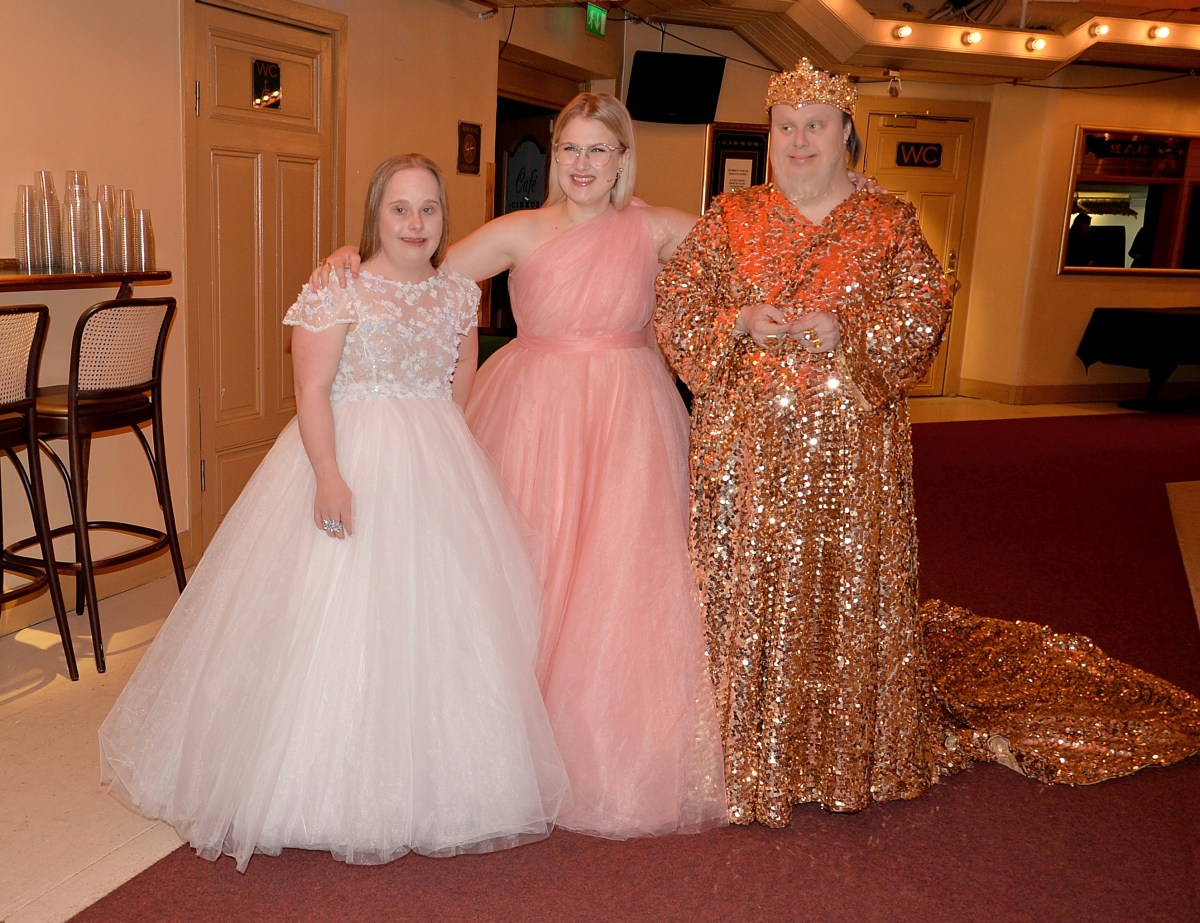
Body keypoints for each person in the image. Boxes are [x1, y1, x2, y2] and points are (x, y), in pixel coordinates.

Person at [654, 59, 1200, 827]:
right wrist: (737, 320)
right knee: (749, 586)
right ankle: (744, 740)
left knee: (839, 584)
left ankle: (835, 747)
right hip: (745, 453)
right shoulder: (730, 217)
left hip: (850, 451)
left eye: (816, 126)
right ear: (769, 135)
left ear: (846, 133)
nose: (800, 141)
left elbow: (923, 308)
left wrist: (848, 332)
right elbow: (676, 302)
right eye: (786, 127)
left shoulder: (888, 220)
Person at [98, 154, 569, 872]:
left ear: (444, 217)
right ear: (376, 213)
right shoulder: (338, 287)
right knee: (333, 617)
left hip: (436, 464)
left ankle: (438, 778)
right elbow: (311, 390)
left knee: (437, 619)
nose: (415, 223)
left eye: (429, 209)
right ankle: (317, 785)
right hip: (349, 460)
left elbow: (462, 371)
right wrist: (328, 475)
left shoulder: (456, 294)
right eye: (400, 208)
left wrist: (450, 442)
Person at [316, 94, 729, 838]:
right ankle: (506, 743)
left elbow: (745, 255)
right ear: (555, 153)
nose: (581, 164)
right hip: (535, 413)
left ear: (622, 159)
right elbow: (418, 270)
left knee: (621, 578)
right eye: (569, 148)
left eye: (598, 150)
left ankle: (610, 748)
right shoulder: (519, 230)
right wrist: (349, 255)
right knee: (525, 565)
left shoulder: (658, 228)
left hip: (631, 417)